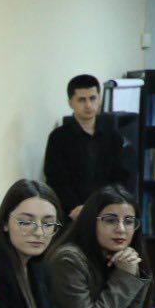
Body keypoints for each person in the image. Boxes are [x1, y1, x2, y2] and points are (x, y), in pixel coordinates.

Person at [0, 179, 104, 308]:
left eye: (48, 224)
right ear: (5, 222)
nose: (39, 232)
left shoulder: (38, 266)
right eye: (26, 222)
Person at [47, 184, 154, 308]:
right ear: (91, 221)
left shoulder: (125, 257)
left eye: (129, 221)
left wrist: (133, 272)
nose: (121, 229)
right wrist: (125, 276)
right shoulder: (68, 259)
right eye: (110, 220)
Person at [43, 73, 132, 221]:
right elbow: (56, 179)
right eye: (81, 100)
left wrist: (103, 206)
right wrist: (77, 207)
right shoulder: (58, 137)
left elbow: (120, 177)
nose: (88, 105)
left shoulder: (113, 136)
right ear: (70, 103)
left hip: (106, 212)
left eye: (92, 98)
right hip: (71, 214)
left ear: (100, 99)